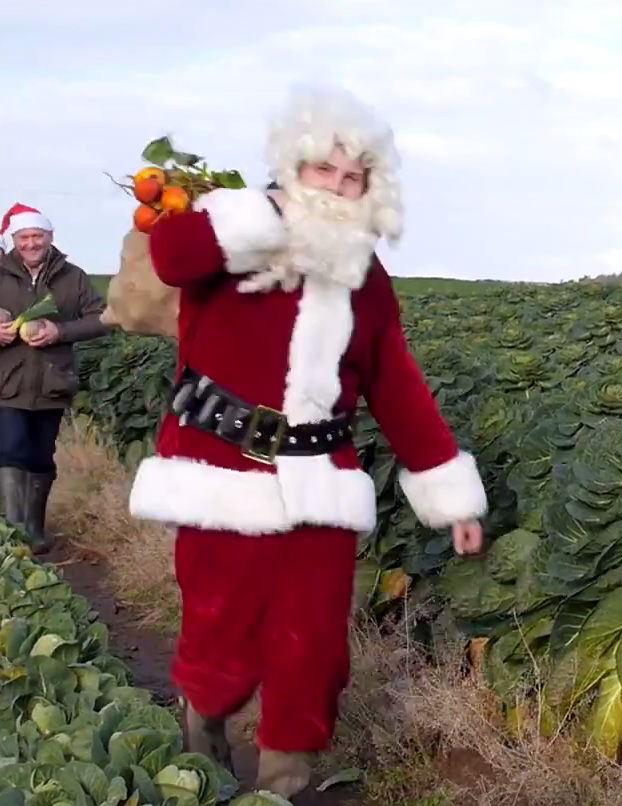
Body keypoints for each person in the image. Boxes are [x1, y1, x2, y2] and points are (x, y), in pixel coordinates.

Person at [126, 83, 488, 797]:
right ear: (295, 167)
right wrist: (249, 218)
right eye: (326, 171)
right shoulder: (229, 233)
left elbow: (395, 382)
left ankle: (282, 786)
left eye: (355, 179)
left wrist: (451, 497)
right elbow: (170, 255)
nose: (339, 189)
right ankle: (199, 754)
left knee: (312, 650)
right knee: (220, 639)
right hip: (221, 474)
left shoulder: (366, 279)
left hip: (321, 481)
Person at [0, 203, 109, 553]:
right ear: (13, 240)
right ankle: (16, 534)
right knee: (11, 449)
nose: (31, 243)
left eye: (37, 236)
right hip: (7, 382)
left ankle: (35, 530)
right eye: (24, 237)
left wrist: (58, 331)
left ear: (49, 238)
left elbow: (101, 319)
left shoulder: (73, 276)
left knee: (41, 456)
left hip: (52, 381)